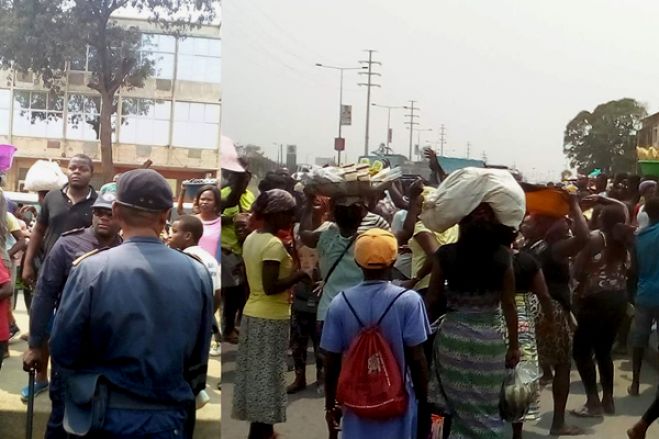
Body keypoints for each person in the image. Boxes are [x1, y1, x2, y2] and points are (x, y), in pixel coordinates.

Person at [47, 169, 213, 438]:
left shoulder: (91, 269)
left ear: (116, 211)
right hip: (169, 418)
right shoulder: (197, 273)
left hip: (105, 417)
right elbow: (198, 358)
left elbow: (64, 349)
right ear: (165, 215)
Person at [22, 192, 122, 437]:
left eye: (110, 214)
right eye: (99, 213)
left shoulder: (126, 248)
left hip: (111, 348)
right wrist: (35, 344)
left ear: (121, 217)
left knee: (102, 415)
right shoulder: (68, 244)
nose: (103, 219)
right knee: (62, 413)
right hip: (71, 343)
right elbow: (45, 295)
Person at [321, 228, 430, 439]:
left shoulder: (339, 303)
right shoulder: (409, 301)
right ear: (393, 260)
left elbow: (331, 361)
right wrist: (425, 406)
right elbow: (418, 359)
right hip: (399, 402)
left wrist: (330, 406)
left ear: (356, 262)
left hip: (356, 404)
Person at [426, 203, 520, 439]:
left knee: (443, 403)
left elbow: (433, 298)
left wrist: (421, 333)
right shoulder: (504, 256)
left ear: (460, 223)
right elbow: (509, 304)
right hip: (490, 342)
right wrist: (514, 345)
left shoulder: (445, 255)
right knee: (486, 406)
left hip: (452, 338)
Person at [232, 189, 311, 439]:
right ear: (275, 214)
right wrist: (300, 274)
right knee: (267, 376)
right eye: (288, 213)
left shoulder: (253, 238)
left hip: (254, 313)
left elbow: (252, 282)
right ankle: (261, 432)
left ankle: (263, 429)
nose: (291, 218)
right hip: (269, 317)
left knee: (259, 375)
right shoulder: (272, 245)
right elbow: (270, 287)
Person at [520, 194, 588, 436]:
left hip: (530, 310)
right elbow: (584, 237)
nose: (523, 224)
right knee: (561, 366)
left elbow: (582, 238)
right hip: (551, 311)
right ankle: (558, 423)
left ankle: (517, 423)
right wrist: (575, 205)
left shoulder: (538, 247)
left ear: (541, 226)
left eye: (528, 222)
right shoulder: (547, 248)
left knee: (527, 368)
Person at [22, 154, 98, 285]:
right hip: (49, 268)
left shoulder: (98, 204)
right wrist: (27, 264)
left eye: (83, 169)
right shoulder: (52, 197)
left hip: (82, 273)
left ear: (91, 173)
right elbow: (38, 231)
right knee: (42, 305)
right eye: (72, 168)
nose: (76, 172)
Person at [511, 248, 555, 439]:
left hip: (492, 314)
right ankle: (517, 433)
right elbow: (544, 294)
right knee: (522, 379)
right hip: (523, 320)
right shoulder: (527, 260)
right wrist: (550, 320)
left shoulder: (486, 258)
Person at [167, 214, 222, 358]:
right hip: (201, 325)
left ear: (188, 236)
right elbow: (216, 295)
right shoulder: (210, 259)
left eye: (174, 231)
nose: (169, 236)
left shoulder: (178, 260)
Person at [629, 197, 659, 397]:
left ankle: (635, 383)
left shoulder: (639, 237)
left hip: (644, 292)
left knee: (639, 339)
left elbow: (634, 269)